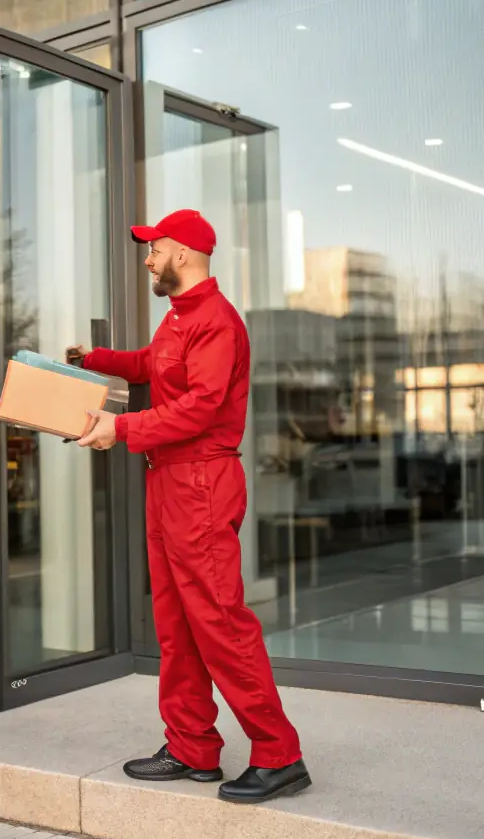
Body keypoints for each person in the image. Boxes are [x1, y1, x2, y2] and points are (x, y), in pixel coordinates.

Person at [70, 209, 310, 804]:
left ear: (183, 253)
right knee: (176, 625)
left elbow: (201, 408)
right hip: (168, 481)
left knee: (221, 623)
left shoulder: (218, 323)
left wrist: (120, 428)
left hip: (201, 483)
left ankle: (280, 754)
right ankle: (192, 747)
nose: (147, 258)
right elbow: (151, 367)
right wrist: (95, 358)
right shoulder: (178, 320)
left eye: (154, 248)